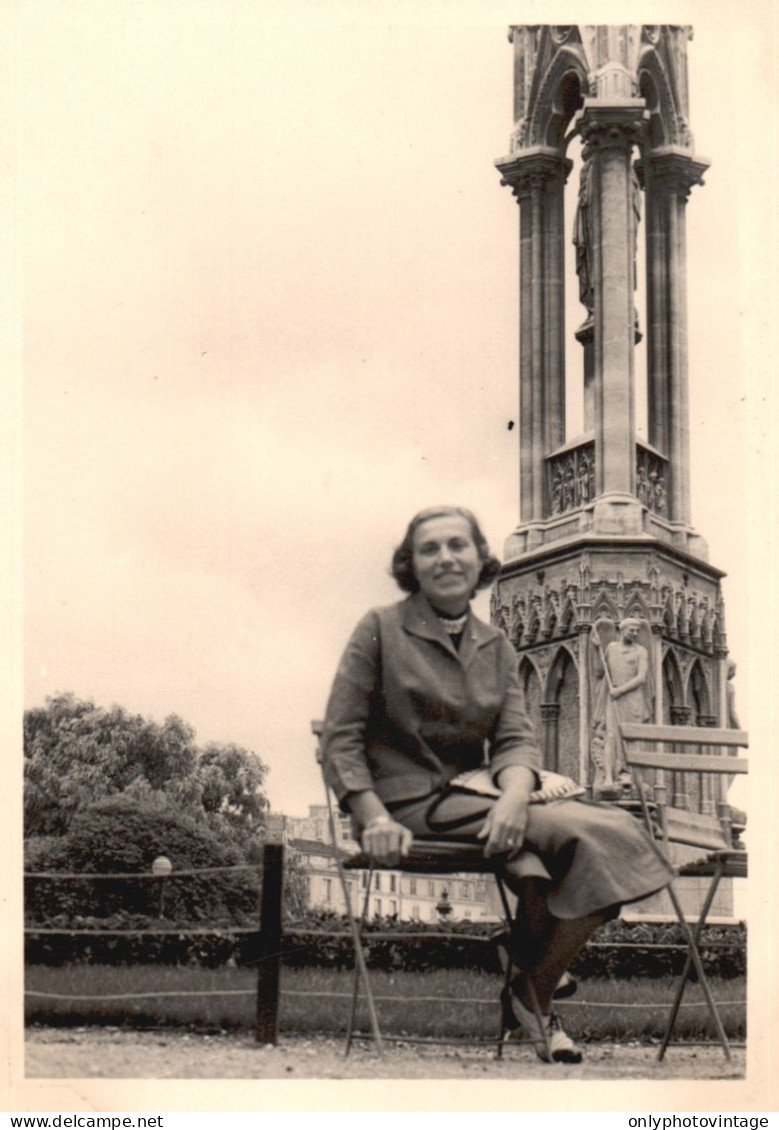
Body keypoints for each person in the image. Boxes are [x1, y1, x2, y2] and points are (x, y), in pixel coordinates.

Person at [320, 506, 673, 1063]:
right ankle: (535, 993)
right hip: (406, 806)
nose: (445, 558)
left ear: (480, 559)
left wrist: (513, 797)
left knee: (578, 849)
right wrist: (371, 815)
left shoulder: (496, 646)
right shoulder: (380, 629)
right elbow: (340, 738)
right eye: (429, 548)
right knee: (598, 832)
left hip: (477, 798)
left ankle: (525, 981)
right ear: (409, 565)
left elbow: (515, 739)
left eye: (458, 545)